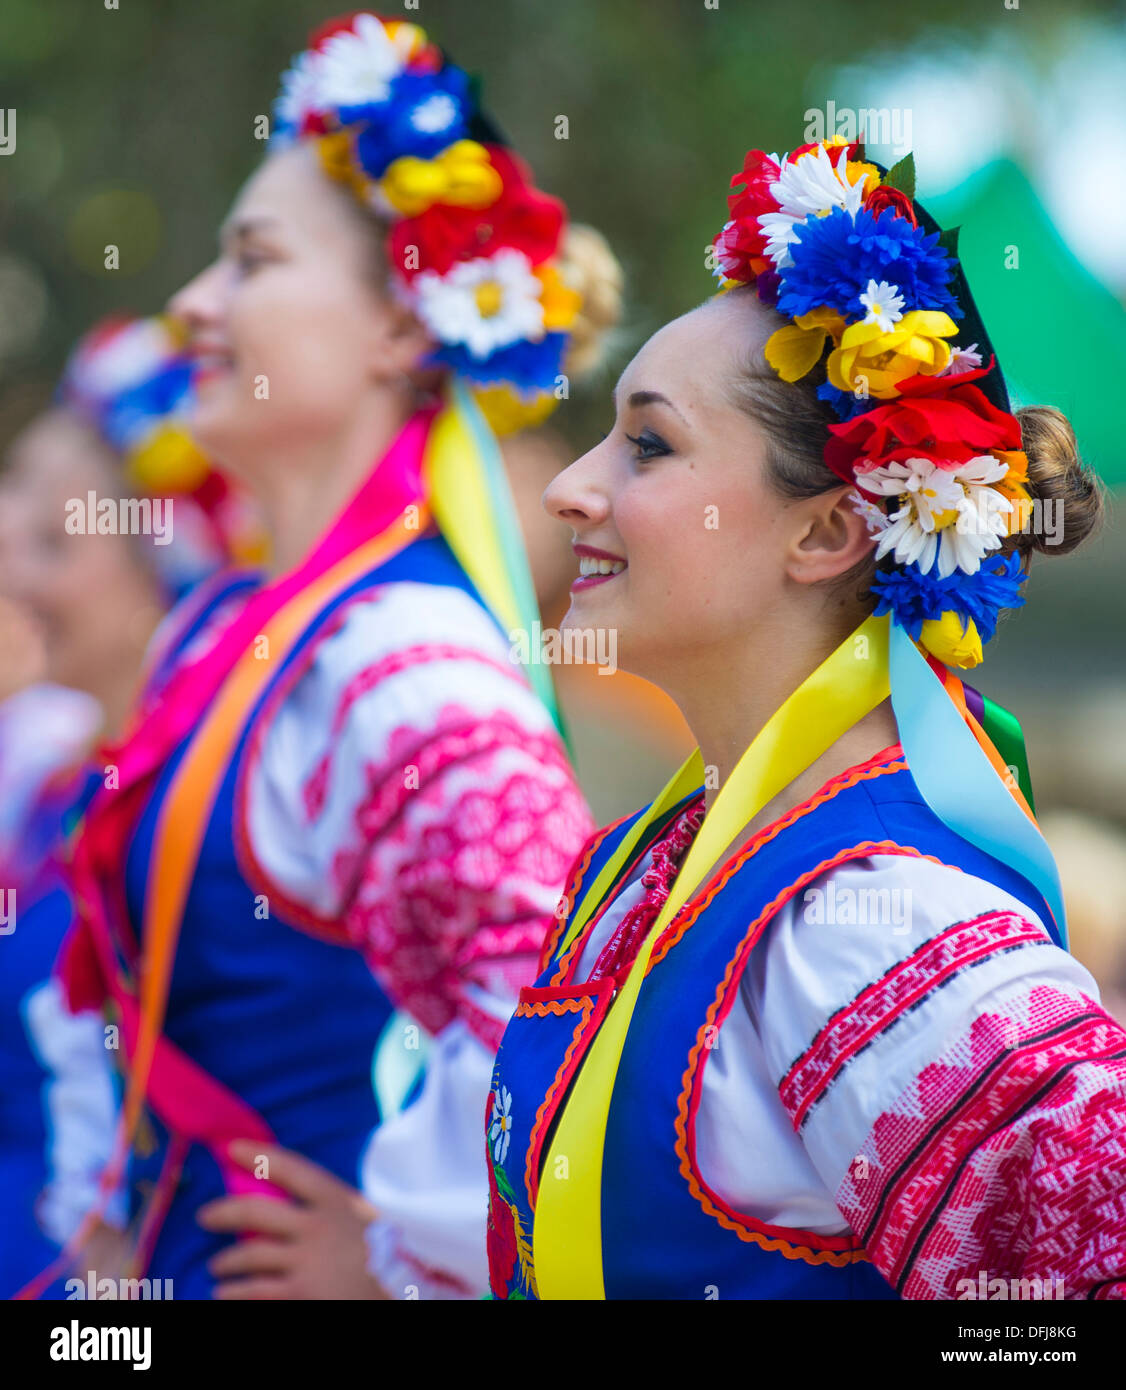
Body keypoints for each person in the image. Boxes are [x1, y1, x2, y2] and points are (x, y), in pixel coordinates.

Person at [485, 134, 1126, 1300]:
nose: (568, 486)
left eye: (647, 443)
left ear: (826, 532)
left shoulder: (874, 924)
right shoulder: (658, 859)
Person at [50, 12, 592, 1301]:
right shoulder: (229, 623)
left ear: (404, 330)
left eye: (250, 261)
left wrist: (402, 1263)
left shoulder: (409, 661)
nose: (192, 303)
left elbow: (551, 1030)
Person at [0, 314, 254, 1298]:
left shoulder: (209, 813)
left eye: (56, 541)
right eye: (13, 498)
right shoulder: (49, 779)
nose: (11, 566)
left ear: (168, 577)